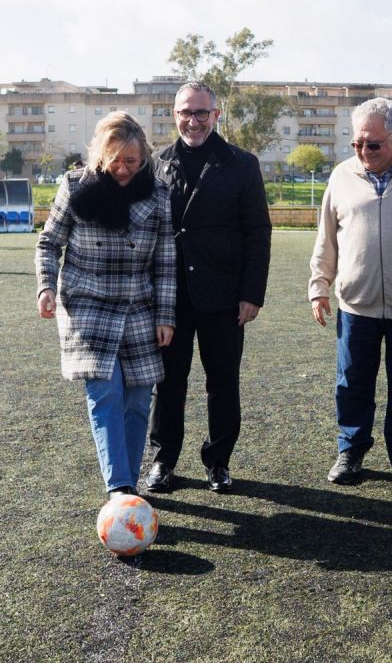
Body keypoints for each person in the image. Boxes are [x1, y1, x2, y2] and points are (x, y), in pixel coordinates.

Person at [35, 111, 176, 498]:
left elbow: (165, 261)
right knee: (106, 392)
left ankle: (129, 486)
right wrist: (46, 287)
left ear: (144, 156)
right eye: (115, 160)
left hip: (139, 309)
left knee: (137, 399)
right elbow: (49, 243)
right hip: (88, 307)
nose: (123, 169)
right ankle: (120, 489)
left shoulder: (158, 193)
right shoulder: (75, 185)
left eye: (132, 161)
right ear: (100, 153)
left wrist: (165, 316)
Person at [309, 97, 392, 488]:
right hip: (356, 304)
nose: (364, 152)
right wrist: (319, 286)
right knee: (352, 383)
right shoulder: (340, 176)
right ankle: (350, 451)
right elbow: (326, 240)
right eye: (357, 144)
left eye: (373, 144)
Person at [144, 82, 272, 494]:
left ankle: (218, 461)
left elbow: (258, 231)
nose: (193, 121)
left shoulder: (241, 163)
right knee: (168, 383)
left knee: (222, 382)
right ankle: (164, 460)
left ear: (216, 115)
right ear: (174, 114)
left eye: (201, 113)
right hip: (169, 296)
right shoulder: (155, 163)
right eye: (186, 112)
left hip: (224, 297)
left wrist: (252, 294)